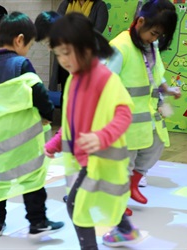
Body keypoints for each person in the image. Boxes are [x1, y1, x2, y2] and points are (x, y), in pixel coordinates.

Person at [44, 12, 141, 249]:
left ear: (87, 47)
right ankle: (126, 230)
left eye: (68, 52)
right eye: (58, 54)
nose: (63, 60)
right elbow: (71, 121)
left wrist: (101, 136)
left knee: (77, 206)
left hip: (101, 158)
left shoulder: (105, 78)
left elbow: (124, 113)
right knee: (102, 199)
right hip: (84, 158)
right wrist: (55, 143)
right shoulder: (74, 80)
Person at [0, 11, 64, 239]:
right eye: (28, 45)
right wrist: (47, 115)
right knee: (32, 181)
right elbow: (38, 93)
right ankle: (38, 222)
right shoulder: (21, 64)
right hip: (24, 142)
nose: (27, 49)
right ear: (19, 40)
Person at [105, 0, 181, 216]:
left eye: (159, 36)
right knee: (123, 162)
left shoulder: (151, 45)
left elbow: (156, 73)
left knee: (155, 146)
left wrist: (167, 89)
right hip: (124, 119)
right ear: (140, 22)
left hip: (147, 114)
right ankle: (116, 204)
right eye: (154, 33)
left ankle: (132, 185)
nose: (155, 38)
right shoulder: (120, 47)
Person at [51, 0, 109, 107]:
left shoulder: (99, 6)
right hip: (67, 57)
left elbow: (97, 31)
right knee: (67, 92)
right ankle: (66, 122)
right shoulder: (66, 4)